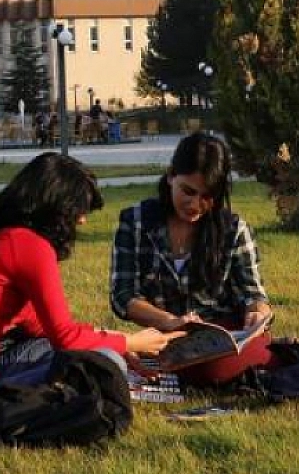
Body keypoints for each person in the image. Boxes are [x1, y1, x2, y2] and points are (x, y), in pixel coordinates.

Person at [0, 153, 180, 442]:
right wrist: (130, 342)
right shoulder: (29, 245)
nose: (83, 221)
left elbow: (41, 330)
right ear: (57, 207)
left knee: (89, 354)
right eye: (79, 210)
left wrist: (115, 339)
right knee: (105, 361)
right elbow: (66, 338)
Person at [110, 133, 285, 389]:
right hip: (161, 335)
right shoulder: (135, 222)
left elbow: (253, 294)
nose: (195, 204)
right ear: (171, 176)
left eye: (207, 196)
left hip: (221, 338)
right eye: (188, 191)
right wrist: (169, 321)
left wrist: (257, 312)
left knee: (237, 360)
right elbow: (123, 296)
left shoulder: (234, 230)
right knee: (113, 355)